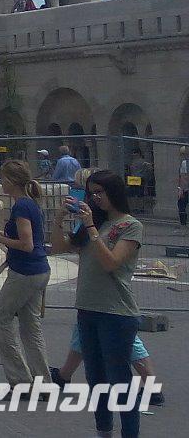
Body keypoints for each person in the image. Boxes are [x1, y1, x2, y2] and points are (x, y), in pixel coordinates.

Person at [52, 169, 149, 436]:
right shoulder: (92, 224)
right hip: (87, 309)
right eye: (90, 193)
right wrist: (60, 218)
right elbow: (59, 247)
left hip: (116, 312)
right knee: (96, 380)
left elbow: (111, 263)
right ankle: (104, 431)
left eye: (99, 193)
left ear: (113, 193)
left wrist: (92, 227)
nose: (94, 198)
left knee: (120, 381)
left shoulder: (130, 225)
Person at [0, 160, 49, 384]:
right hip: (39, 269)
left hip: (24, 271)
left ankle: (20, 379)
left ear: (10, 180)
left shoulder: (21, 206)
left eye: (2, 179)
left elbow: (26, 244)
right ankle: (42, 381)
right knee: (31, 327)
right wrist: (0, 232)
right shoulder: (30, 203)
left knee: (0, 320)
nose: (1, 183)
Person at [178, 146, 188, 230]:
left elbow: (183, 177)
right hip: (185, 189)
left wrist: (181, 189)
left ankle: (183, 225)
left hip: (186, 189)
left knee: (181, 206)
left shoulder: (185, 163)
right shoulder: (184, 162)